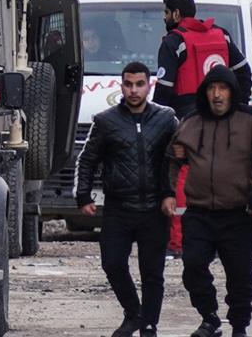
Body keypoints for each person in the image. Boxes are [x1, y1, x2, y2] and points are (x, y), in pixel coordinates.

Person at [162, 65, 252, 337]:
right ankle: (210, 318)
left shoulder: (251, 119)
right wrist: (168, 192)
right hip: (199, 213)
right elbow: (171, 159)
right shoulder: (191, 121)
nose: (216, 95)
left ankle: (239, 326)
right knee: (193, 266)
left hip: (239, 213)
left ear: (231, 91)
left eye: (222, 88)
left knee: (240, 276)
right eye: (212, 89)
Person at [75, 61, 178, 337]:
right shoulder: (106, 120)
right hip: (119, 208)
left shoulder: (166, 119)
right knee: (112, 263)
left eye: (140, 84)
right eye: (129, 84)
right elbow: (87, 160)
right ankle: (134, 313)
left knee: (152, 272)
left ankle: (149, 326)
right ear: (122, 86)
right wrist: (83, 195)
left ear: (149, 85)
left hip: (155, 208)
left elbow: (178, 156)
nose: (134, 90)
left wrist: (170, 193)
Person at [152, 0, 252, 258]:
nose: (164, 18)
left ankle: (179, 241)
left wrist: (155, 121)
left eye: (165, 13)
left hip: (186, 120)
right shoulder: (222, 35)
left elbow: (163, 90)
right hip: (222, 121)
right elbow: (244, 72)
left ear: (175, 14)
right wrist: (236, 106)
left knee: (179, 178)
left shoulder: (174, 42)